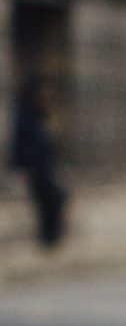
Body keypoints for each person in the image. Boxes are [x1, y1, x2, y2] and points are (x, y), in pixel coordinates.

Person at [8, 76, 67, 249]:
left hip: (45, 167)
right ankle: (48, 238)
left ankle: (51, 237)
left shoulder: (39, 116)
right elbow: (22, 145)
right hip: (36, 169)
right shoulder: (25, 117)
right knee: (49, 200)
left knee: (55, 199)